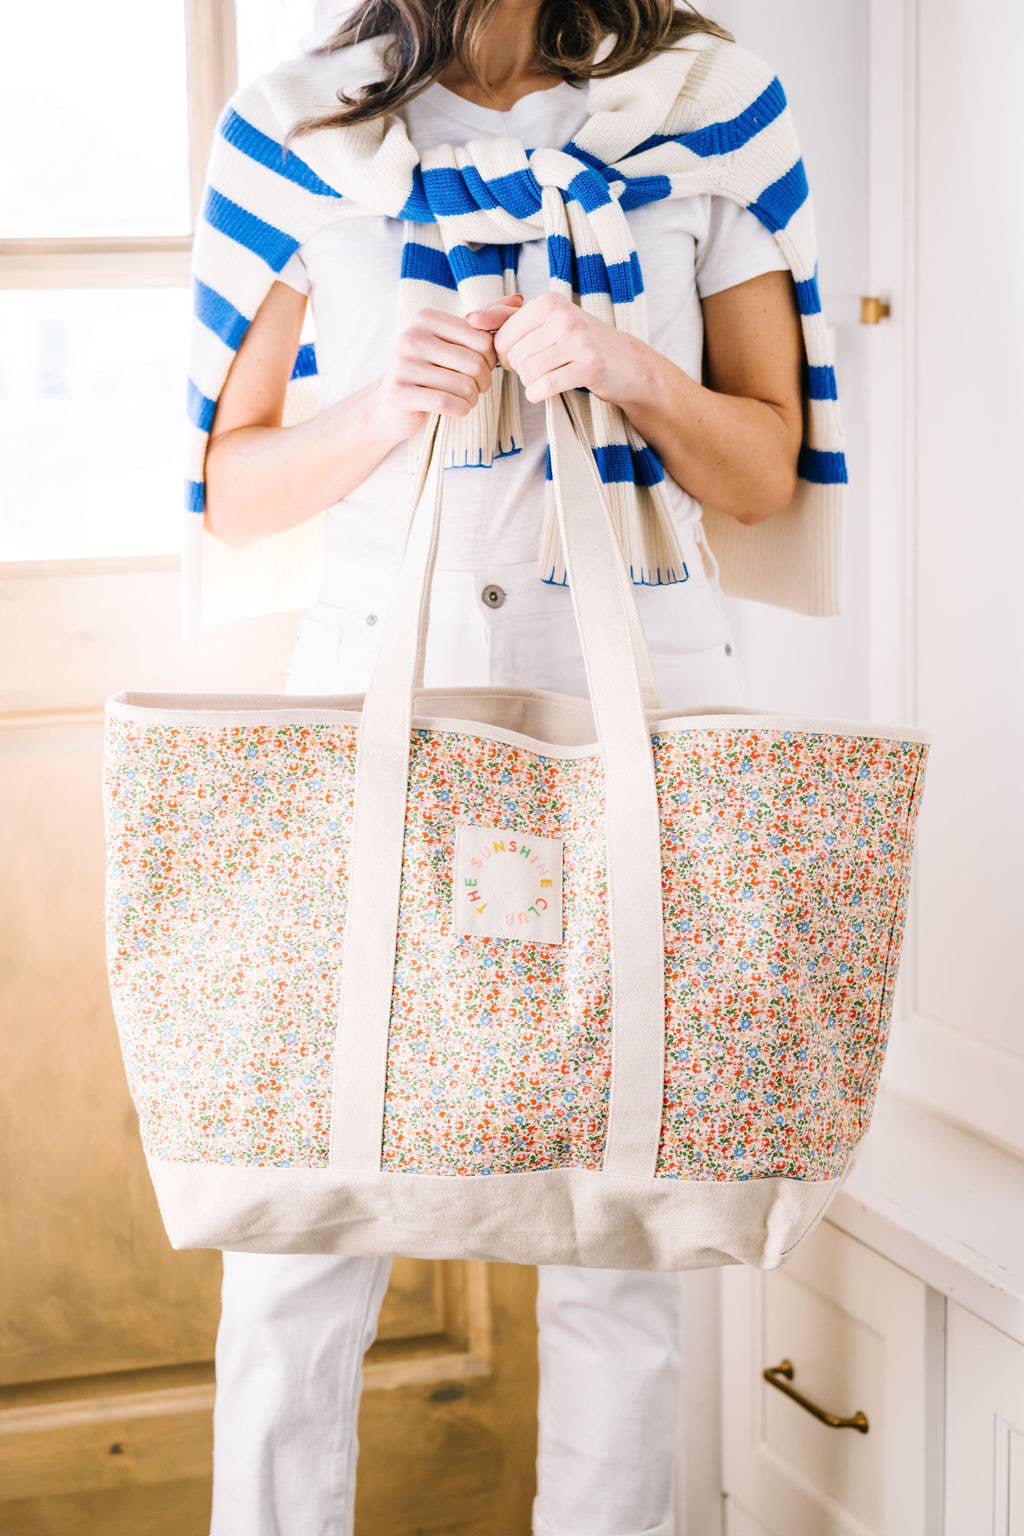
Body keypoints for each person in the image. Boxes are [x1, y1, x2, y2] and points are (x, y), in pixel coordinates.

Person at [202, 2, 805, 1531]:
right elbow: (227, 490)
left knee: (623, 1220)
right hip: (372, 696)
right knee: (297, 1218)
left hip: (643, 691)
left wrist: (630, 372)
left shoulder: (707, 105)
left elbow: (764, 470)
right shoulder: (301, 120)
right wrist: (378, 411)